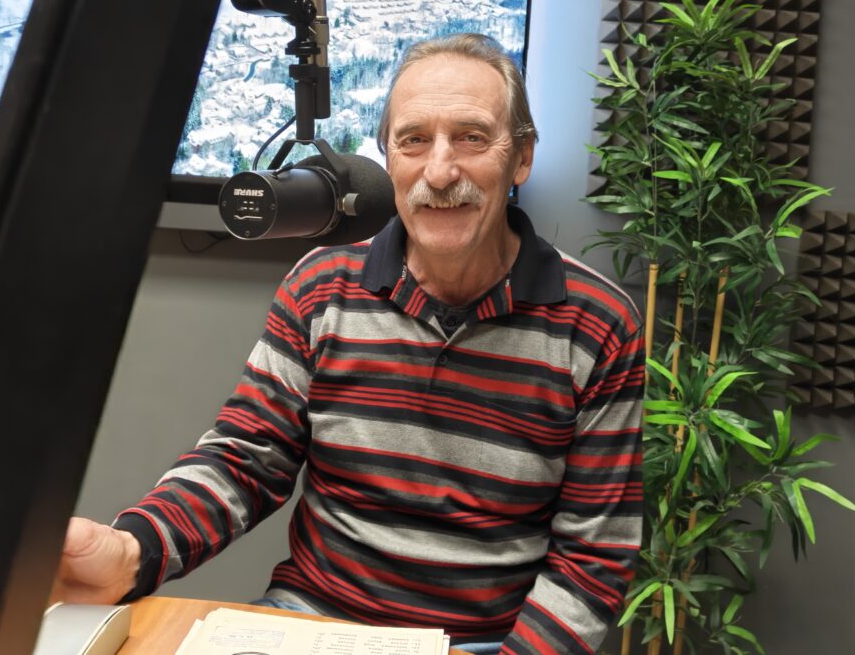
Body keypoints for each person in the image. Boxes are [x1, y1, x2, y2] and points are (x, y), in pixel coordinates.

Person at [51, 33, 645, 654]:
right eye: (414, 140)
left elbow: (593, 556)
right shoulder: (320, 289)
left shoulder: (598, 324)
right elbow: (245, 460)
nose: (440, 172)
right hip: (311, 626)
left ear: (521, 157)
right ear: (387, 157)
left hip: (482, 645)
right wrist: (130, 552)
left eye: (472, 138)